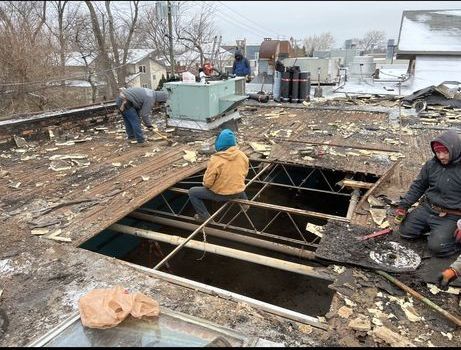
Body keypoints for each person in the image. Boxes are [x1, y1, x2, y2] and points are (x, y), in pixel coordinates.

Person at [394, 129, 461, 257]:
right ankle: (436, 230)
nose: (441, 156)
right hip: (428, 207)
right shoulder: (431, 164)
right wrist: (404, 206)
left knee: (438, 248)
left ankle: (448, 238)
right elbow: (419, 186)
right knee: (405, 232)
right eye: (437, 152)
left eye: (445, 152)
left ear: (455, 149)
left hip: (452, 214)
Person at [188, 129, 249, 222]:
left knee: (192, 192)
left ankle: (204, 217)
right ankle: (245, 203)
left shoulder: (216, 160)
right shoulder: (242, 155)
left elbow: (208, 183)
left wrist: (205, 184)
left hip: (221, 195)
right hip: (238, 192)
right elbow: (244, 173)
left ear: (219, 143)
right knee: (238, 182)